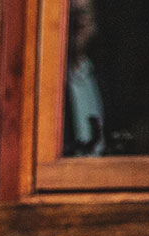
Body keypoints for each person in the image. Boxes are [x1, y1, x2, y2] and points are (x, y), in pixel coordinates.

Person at [63, 0, 105, 156]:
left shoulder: (103, 77)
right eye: (70, 15)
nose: (77, 21)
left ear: (94, 23)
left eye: (83, 13)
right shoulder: (49, 80)